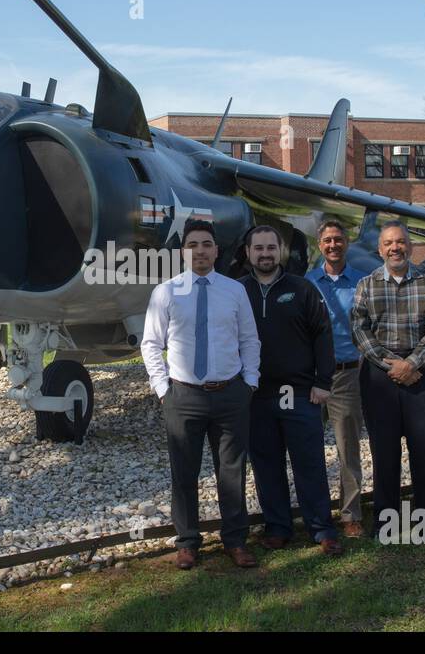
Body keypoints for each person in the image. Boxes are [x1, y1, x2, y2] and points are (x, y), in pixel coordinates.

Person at [141, 219, 262, 569]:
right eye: (193, 244)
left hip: (230, 394)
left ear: (216, 250)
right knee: (184, 473)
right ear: (183, 251)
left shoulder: (234, 291)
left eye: (206, 244)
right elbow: (151, 344)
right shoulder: (166, 292)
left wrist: (249, 382)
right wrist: (164, 390)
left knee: (232, 471)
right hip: (184, 397)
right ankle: (188, 542)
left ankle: (236, 540)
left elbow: (249, 339)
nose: (200, 251)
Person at [240, 225, 342, 555]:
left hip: (299, 393)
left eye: (271, 248)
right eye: (259, 248)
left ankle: (321, 527)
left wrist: (322, 382)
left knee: (309, 463)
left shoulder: (302, 288)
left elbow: (323, 334)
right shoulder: (238, 292)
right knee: (266, 464)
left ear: (280, 251)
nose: (265, 254)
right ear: (248, 253)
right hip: (256, 395)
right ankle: (278, 526)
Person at [353, 220, 425, 537]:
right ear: (380, 249)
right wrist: (392, 364)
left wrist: (412, 363)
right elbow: (360, 330)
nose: (396, 247)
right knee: (385, 450)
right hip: (380, 375)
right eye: (389, 243)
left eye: (401, 242)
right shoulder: (367, 285)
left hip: (422, 371)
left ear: (410, 246)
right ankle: (387, 520)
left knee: (424, 449)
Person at [305, 221, 371, 537]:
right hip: (312, 377)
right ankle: (315, 514)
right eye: (328, 240)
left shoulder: (361, 282)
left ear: (347, 242)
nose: (333, 245)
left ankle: (350, 514)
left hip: (347, 374)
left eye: (339, 239)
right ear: (320, 244)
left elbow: (370, 324)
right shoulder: (307, 283)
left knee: (348, 448)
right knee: (309, 448)